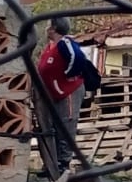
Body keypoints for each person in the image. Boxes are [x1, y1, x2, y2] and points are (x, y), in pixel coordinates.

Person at [34, 16, 101, 170]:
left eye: (48, 25)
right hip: (54, 92)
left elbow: (77, 59)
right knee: (52, 125)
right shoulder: (50, 46)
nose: (46, 28)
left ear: (54, 28)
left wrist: (68, 74)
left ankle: (63, 161)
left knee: (66, 123)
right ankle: (52, 162)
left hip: (68, 91)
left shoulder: (65, 43)